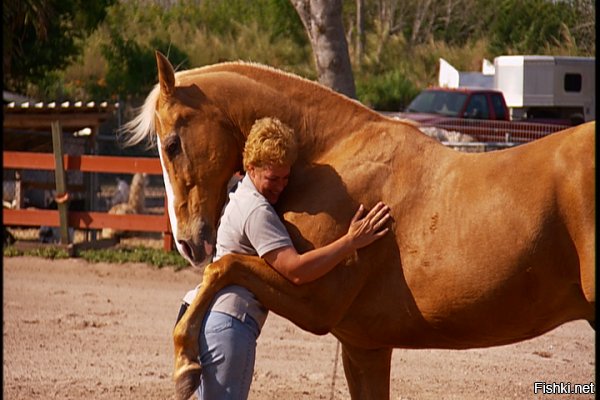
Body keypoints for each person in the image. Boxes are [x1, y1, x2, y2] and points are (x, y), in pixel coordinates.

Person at [176, 117, 391, 399]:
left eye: (285, 178)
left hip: (215, 320)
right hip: (230, 325)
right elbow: (296, 270)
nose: (280, 186)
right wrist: (351, 241)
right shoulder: (256, 211)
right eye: (272, 178)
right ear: (250, 168)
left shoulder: (240, 192)